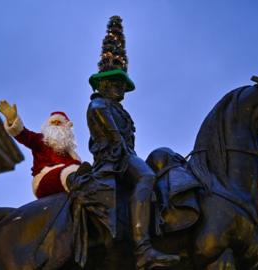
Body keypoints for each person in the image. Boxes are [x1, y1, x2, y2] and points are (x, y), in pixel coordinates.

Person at [87, 16, 179, 270]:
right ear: (104, 84)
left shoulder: (118, 109)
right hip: (113, 160)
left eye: (123, 85)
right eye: (116, 83)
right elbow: (115, 138)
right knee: (147, 177)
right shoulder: (98, 105)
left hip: (125, 156)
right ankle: (143, 250)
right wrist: (130, 158)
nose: (121, 89)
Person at [0, 100, 81, 199]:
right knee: (72, 174)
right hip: (45, 178)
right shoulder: (40, 140)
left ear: (66, 127)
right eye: (53, 123)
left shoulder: (71, 152)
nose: (55, 125)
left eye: (59, 123)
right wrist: (13, 121)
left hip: (72, 175)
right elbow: (25, 136)